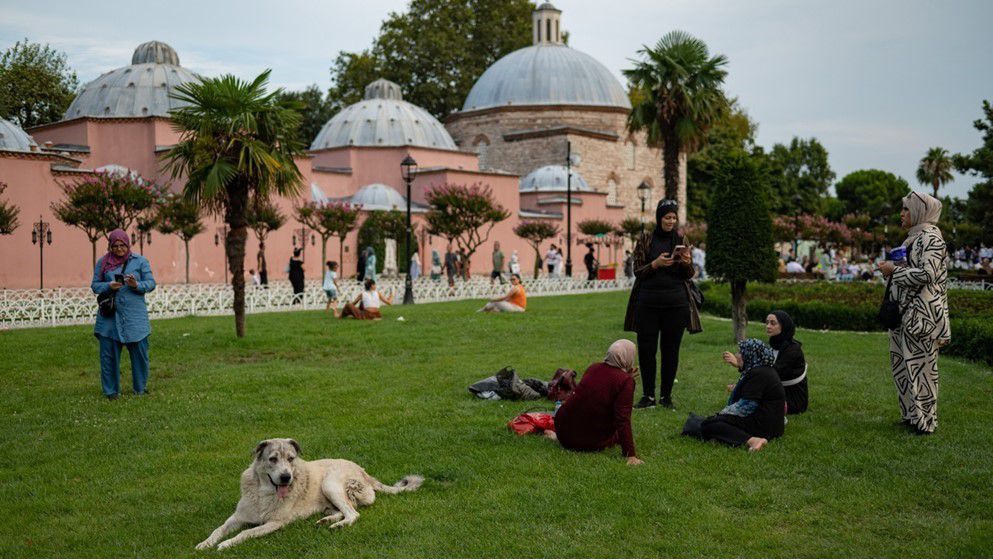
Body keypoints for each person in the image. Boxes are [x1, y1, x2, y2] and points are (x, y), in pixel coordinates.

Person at [877, 192, 950, 434]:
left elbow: (927, 274)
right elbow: (914, 270)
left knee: (922, 370)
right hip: (903, 314)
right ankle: (911, 415)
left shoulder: (931, 239)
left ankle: (925, 422)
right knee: (903, 368)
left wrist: (893, 271)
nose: (902, 214)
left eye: (907, 209)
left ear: (920, 211)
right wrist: (893, 268)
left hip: (922, 316)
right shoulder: (913, 238)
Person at [624, 199, 694, 409]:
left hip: (676, 304)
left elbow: (689, 275)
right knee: (647, 350)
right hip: (648, 303)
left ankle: (666, 396)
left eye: (673, 217)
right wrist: (655, 264)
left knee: (671, 350)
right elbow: (637, 271)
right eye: (667, 217)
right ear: (659, 218)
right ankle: (648, 396)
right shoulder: (646, 239)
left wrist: (686, 263)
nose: (671, 221)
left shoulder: (681, 239)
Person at [551, 339, 643, 466]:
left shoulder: (594, 367)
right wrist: (630, 455)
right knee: (616, 435)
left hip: (562, 430)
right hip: (586, 441)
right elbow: (622, 419)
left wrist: (625, 376)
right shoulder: (625, 381)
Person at [91, 229, 156, 399]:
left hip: (135, 317)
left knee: (140, 356)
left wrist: (136, 285)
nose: (119, 249)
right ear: (110, 246)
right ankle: (111, 392)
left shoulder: (140, 261)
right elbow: (95, 285)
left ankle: (140, 388)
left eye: (122, 245)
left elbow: (151, 283)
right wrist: (108, 286)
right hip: (110, 317)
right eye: (115, 246)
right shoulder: (103, 263)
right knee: (108, 357)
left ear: (128, 245)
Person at [694, 338, 785, 451]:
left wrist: (722, 415)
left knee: (709, 425)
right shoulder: (761, 369)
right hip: (771, 424)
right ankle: (721, 437)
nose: (737, 355)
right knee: (713, 422)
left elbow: (747, 406)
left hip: (765, 427)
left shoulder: (758, 373)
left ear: (750, 354)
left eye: (741, 352)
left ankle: (753, 441)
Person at [723, 311, 808, 414]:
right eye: (767, 322)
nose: (768, 326)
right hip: (775, 391)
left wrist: (740, 365)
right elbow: (762, 369)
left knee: (750, 402)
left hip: (792, 399)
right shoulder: (774, 344)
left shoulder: (793, 350)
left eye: (773, 323)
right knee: (747, 397)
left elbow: (770, 374)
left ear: (784, 326)